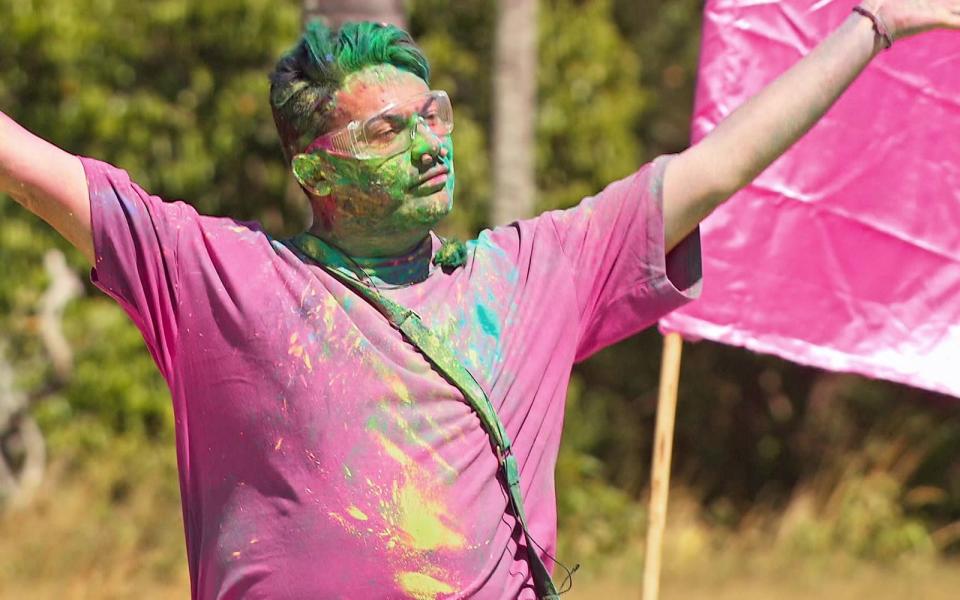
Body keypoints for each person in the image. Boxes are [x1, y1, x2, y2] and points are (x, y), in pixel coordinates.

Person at [1, 2, 957, 599]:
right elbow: (36, 172)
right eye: (387, 128)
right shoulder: (216, 277)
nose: (429, 143)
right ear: (313, 168)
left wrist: (870, 26)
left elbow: (719, 166)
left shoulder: (534, 274)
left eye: (435, 115)